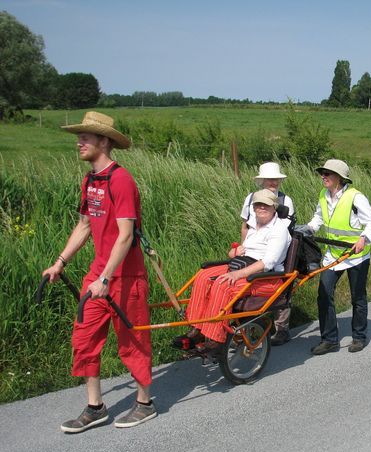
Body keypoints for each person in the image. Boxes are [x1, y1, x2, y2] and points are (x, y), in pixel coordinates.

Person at [41, 112, 155, 433]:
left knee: (133, 341)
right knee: (84, 337)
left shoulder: (121, 180)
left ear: (103, 141)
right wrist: (60, 262)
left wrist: (107, 277)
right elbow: (84, 225)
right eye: (80, 137)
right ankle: (96, 407)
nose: (79, 143)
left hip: (126, 278)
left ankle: (145, 403)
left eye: (85, 138)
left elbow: (126, 235)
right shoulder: (90, 181)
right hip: (98, 276)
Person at [174, 189, 291, 356]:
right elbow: (242, 251)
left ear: (274, 207)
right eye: (258, 204)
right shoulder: (254, 224)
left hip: (268, 277)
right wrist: (234, 253)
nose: (261, 207)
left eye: (266, 204)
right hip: (242, 264)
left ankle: (216, 340)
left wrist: (236, 275)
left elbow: (267, 263)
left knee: (223, 285)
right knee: (203, 276)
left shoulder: (279, 229)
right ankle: (196, 329)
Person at [303, 159, 371, 354]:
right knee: (324, 294)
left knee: (357, 297)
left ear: (340, 178)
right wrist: (309, 228)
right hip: (333, 255)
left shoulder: (356, 197)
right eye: (323, 173)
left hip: (356, 256)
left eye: (328, 173)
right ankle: (329, 340)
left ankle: (359, 337)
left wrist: (364, 238)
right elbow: (319, 217)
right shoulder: (323, 195)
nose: (323, 176)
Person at [240, 162, 295, 346]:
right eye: (270, 179)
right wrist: (244, 248)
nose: (274, 182)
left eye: (277, 179)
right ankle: (248, 327)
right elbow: (246, 225)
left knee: (283, 287)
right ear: (262, 180)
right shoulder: (251, 199)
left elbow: (282, 231)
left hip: (277, 248)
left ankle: (281, 328)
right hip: (253, 250)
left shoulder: (285, 201)